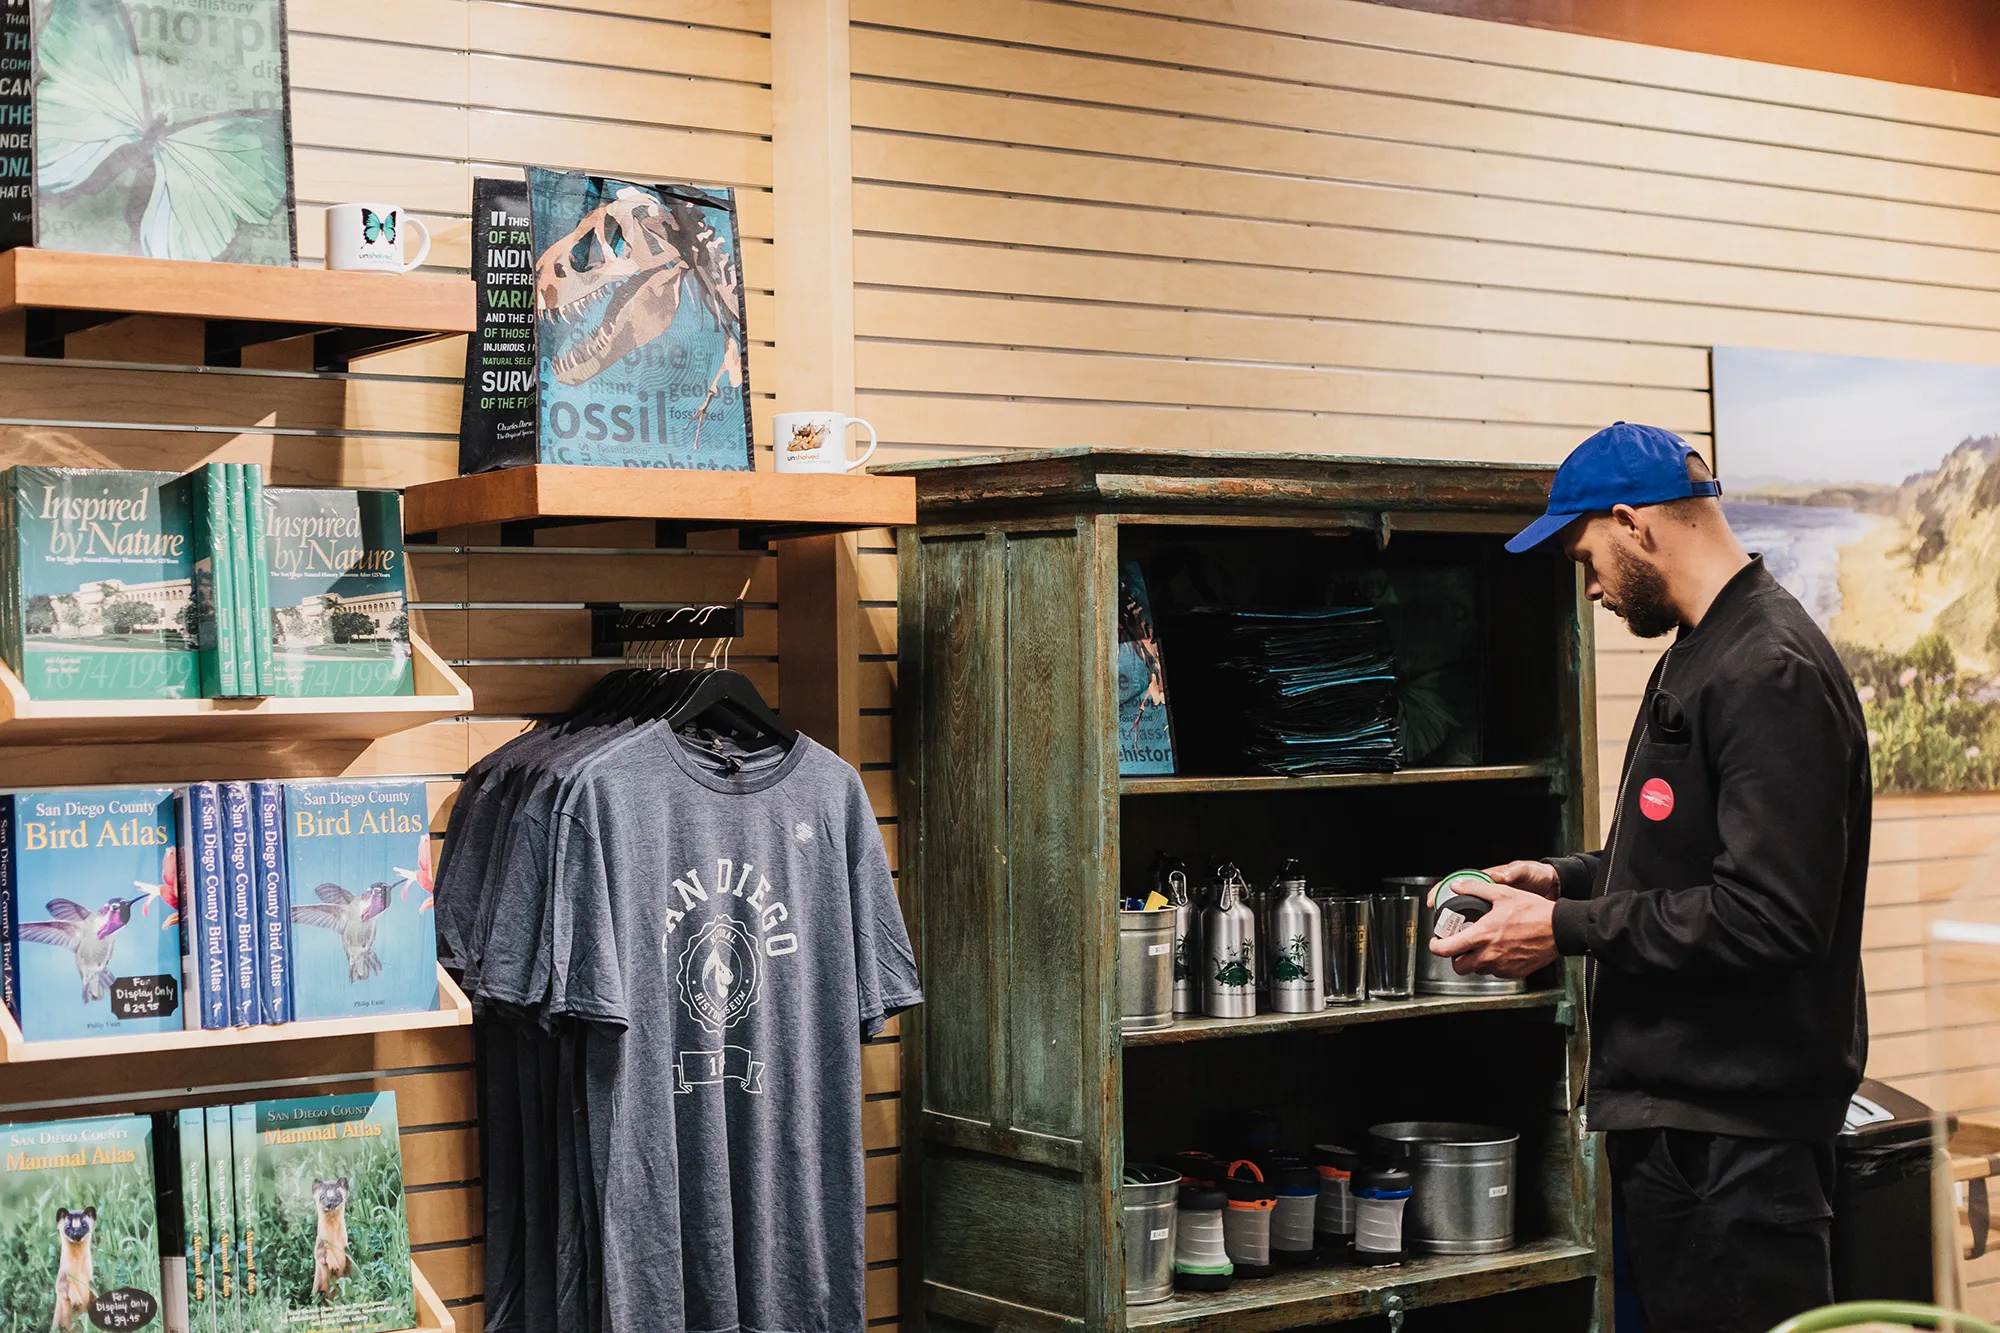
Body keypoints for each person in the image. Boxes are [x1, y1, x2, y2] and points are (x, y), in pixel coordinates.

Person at [1432, 422, 1870, 1333]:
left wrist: (1563, 930)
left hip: (1738, 1156)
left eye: (1585, 555)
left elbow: (1772, 916)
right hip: (1683, 1140)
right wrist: (1562, 881)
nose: (1588, 585)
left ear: (1633, 523)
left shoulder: (1767, 669)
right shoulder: (1704, 651)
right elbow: (1688, 866)